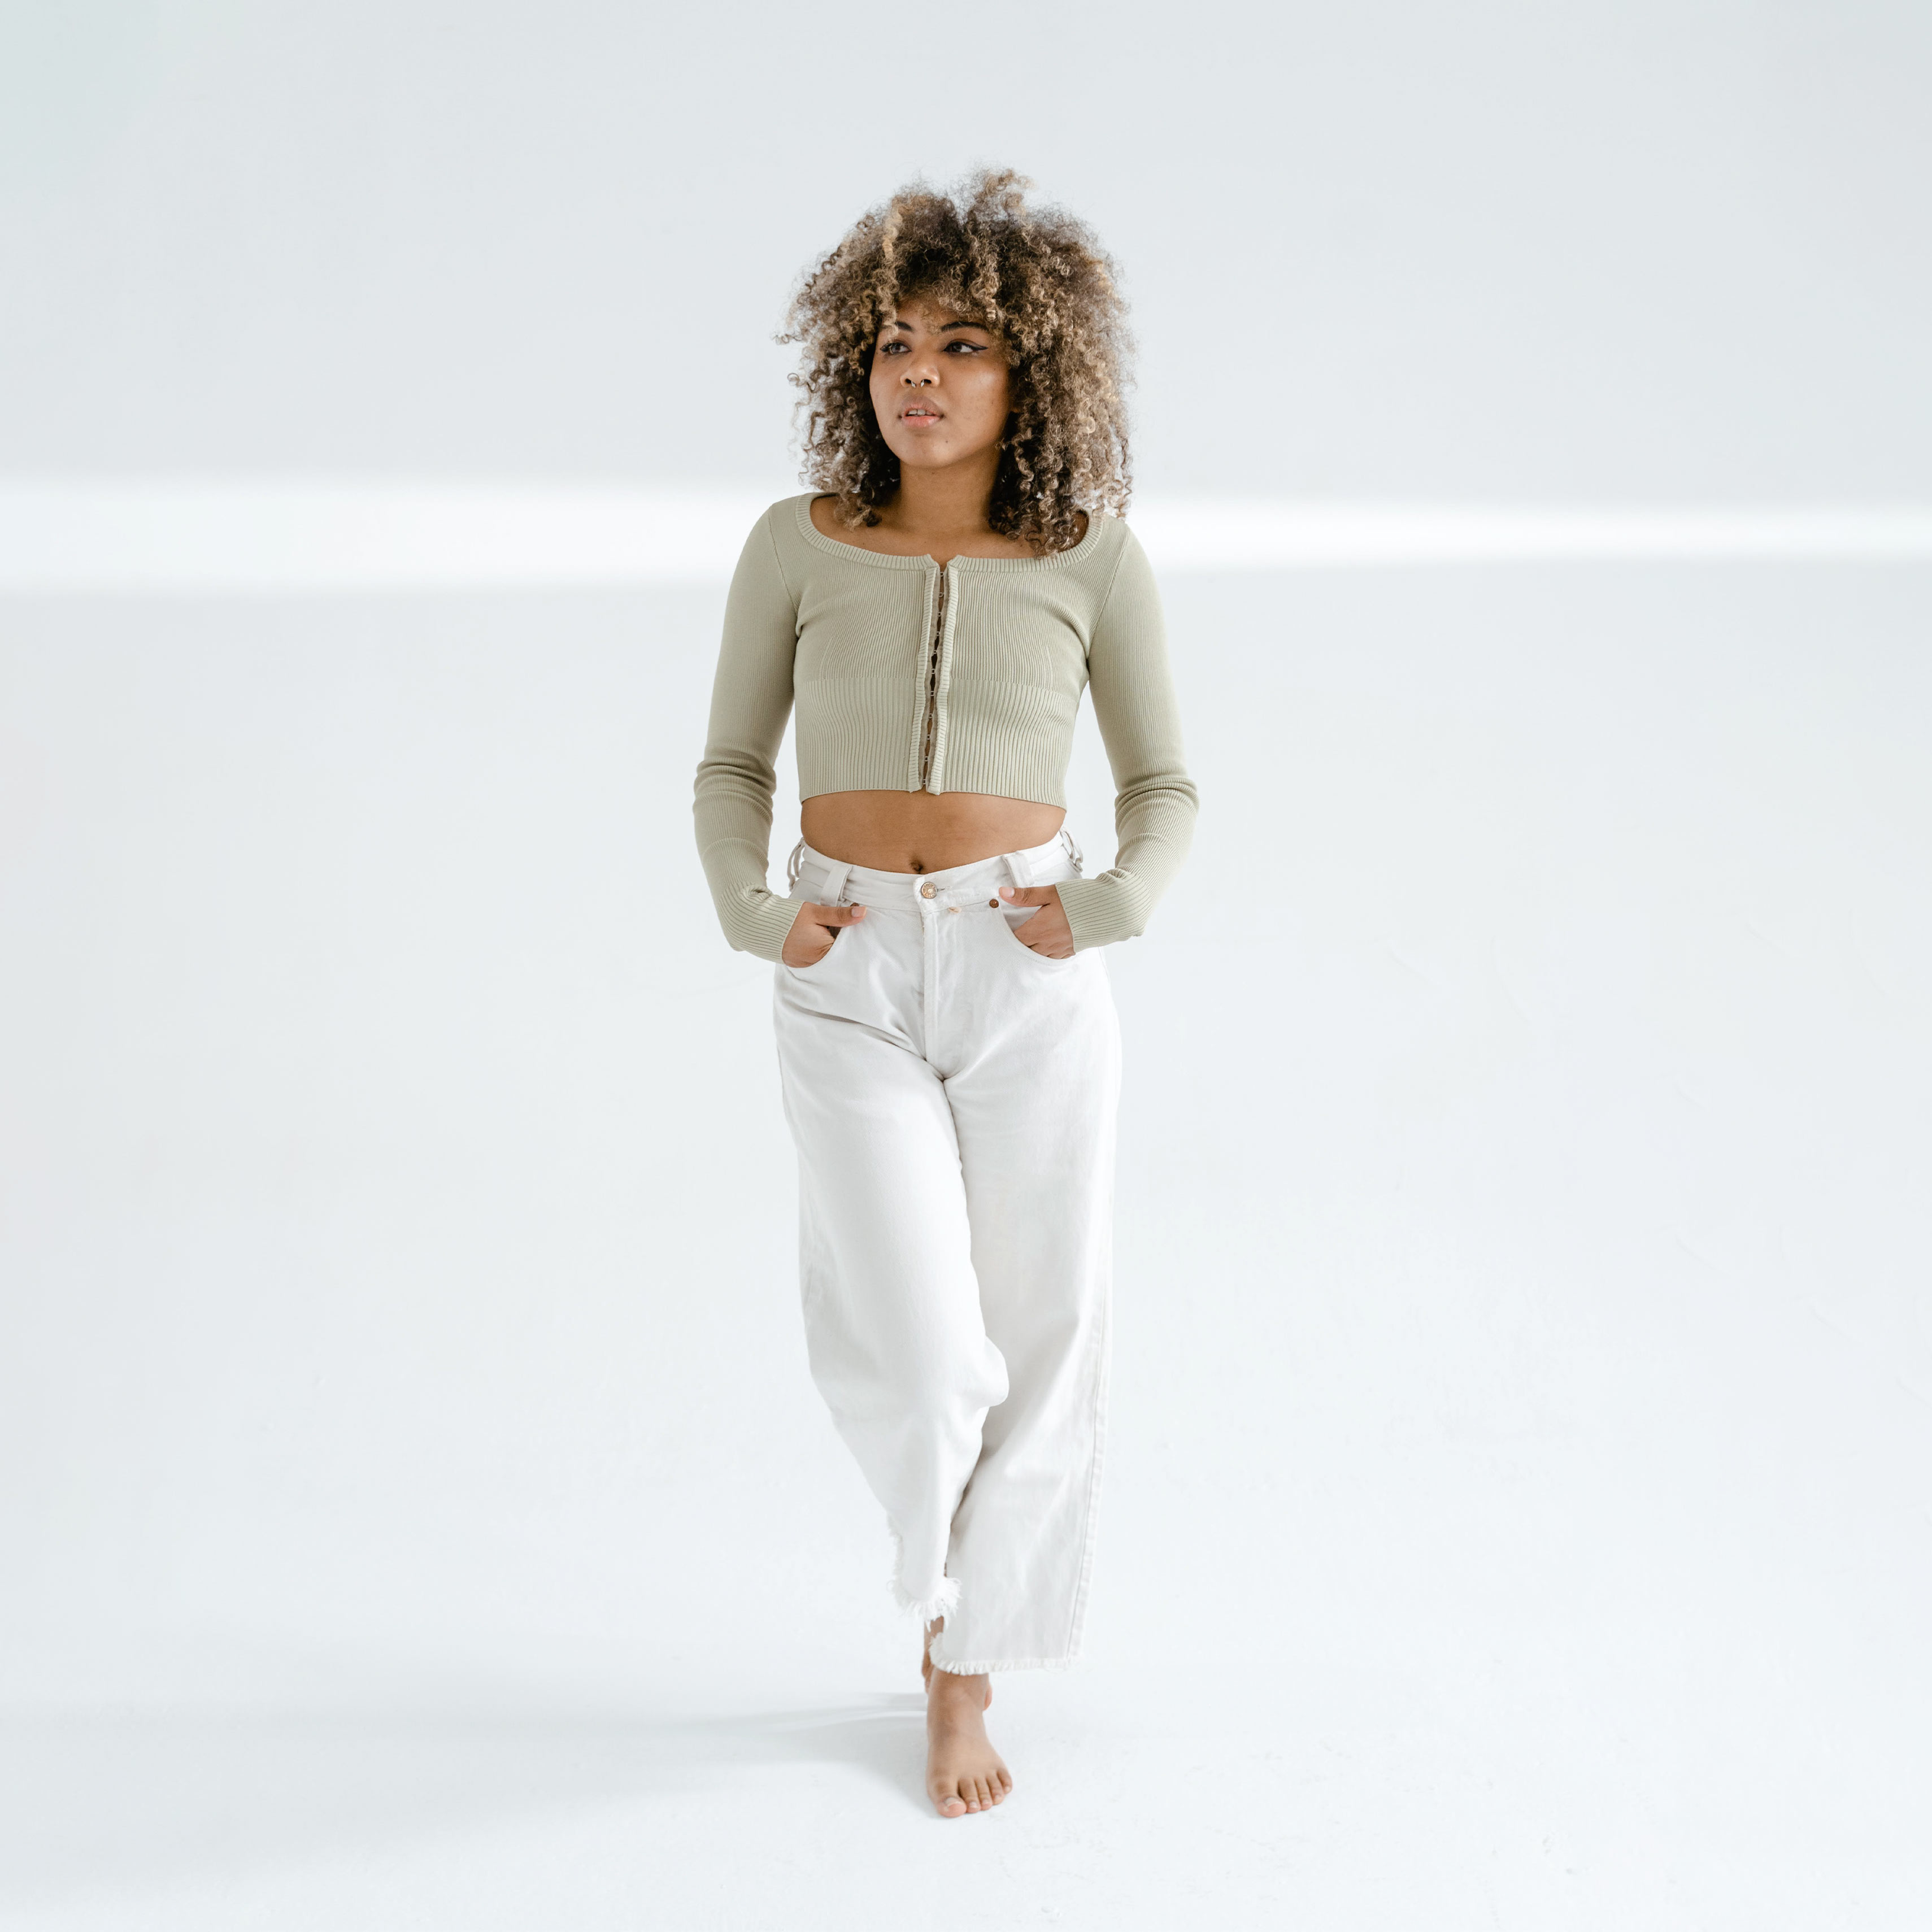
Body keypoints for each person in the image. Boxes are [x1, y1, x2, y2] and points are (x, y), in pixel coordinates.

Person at [691, 170, 1197, 1818]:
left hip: (1023, 963)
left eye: (962, 344)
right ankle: (939, 1589)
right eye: (895, 342)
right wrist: (757, 915)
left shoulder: (1087, 557)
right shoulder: (797, 544)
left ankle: (964, 1663)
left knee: (1045, 1330)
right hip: (844, 968)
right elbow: (730, 765)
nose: (919, 372)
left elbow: (1165, 786)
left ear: (1029, 367)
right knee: (922, 1356)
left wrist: (1109, 906)